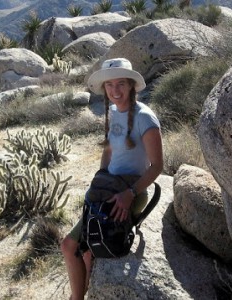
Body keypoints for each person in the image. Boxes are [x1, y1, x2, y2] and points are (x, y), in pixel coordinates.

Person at [60, 58, 163, 300]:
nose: (115, 91)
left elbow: (157, 166)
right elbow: (108, 150)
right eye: (109, 85)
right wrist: (100, 180)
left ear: (130, 86)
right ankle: (83, 292)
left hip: (130, 191)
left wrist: (130, 194)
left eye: (120, 84)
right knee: (83, 250)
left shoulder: (145, 118)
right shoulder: (114, 112)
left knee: (71, 245)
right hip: (108, 188)